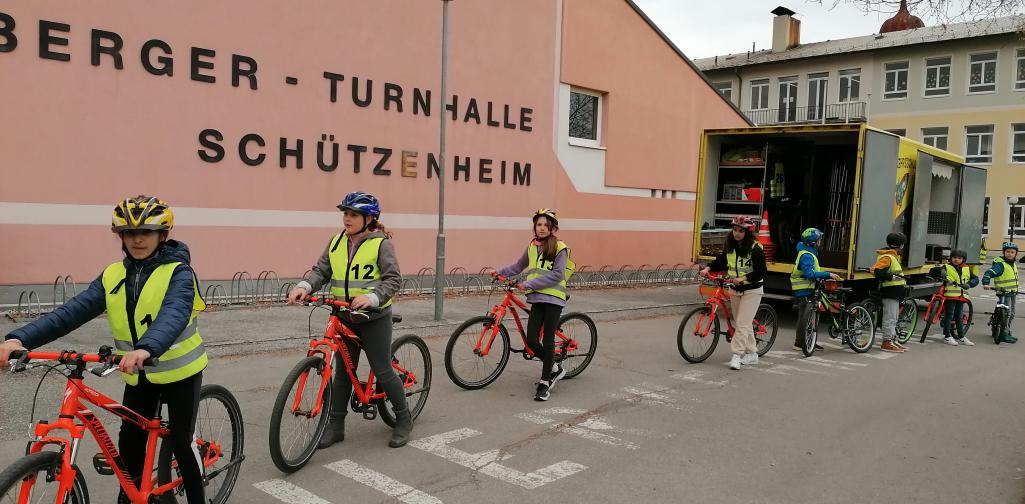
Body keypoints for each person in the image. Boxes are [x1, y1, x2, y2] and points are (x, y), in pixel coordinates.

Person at [0, 196, 208, 504]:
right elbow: (71, 312)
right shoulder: (113, 275)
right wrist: (19, 339)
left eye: (146, 232)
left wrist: (146, 348)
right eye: (128, 232)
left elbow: (174, 313)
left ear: (162, 236)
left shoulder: (178, 272)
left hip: (179, 372)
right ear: (120, 237)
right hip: (138, 377)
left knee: (181, 442)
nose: (137, 239)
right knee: (130, 449)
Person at [287, 191, 412, 447]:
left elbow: (393, 279)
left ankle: (403, 418)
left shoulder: (381, 244)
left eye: (353, 214)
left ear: (369, 219)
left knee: (382, 369)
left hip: (373, 317)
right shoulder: (336, 242)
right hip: (344, 315)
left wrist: (373, 298)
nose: (347, 218)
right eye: (345, 213)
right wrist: (304, 286)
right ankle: (336, 426)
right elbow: (321, 270)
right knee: (343, 372)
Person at [492, 208, 574, 401]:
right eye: (539, 224)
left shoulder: (559, 247)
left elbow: (557, 275)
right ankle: (555, 367)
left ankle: (545, 383)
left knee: (548, 341)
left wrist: (527, 284)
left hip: (553, 299)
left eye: (546, 225)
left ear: (553, 227)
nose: (542, 228)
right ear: (535, 227)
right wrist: (499, 272)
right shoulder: (532, 246)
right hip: (537, 298)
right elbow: (518, 266)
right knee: (531, 341)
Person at [699, 216, 767, 370]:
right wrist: (708, 268)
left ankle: (737, 355)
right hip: (735, 289)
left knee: (741, 324)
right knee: (743, 323)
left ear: (747, 232)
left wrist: (743, 279)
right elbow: (722, 261)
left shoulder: (755, 248)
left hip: (752, 290)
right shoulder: (731, 246)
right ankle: (753, 354)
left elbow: (761, 272)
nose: (736, 233)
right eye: (735, 230)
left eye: (740, 231)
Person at [790, 228, 841, 352]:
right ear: (813, 242)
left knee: (811, 316)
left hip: (808, 288)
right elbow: (809, 273)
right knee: (804, 316)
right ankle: (800, 342)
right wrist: (827, 275)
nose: (820, 242)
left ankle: (809, 340)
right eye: (818, 240)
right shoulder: (807, 255)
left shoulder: (808, 252)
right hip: (804, 289)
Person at [869, 232, 909, 353]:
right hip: (889, 291)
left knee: (894, 317)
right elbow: (876, 271)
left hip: (895, 292)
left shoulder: (893, 256)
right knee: (890, 317)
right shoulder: (888, 257)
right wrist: (891, 277)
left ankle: (892, 339)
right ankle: (886, 342)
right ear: (901, 245)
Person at [937, 249, 979, 346]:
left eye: (959, 258)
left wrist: (969, 284)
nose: (956, 260)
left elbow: (975, 279)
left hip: (961, 296)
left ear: (963, 260)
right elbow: (935, 272)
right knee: (949, 315)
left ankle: (961, 337)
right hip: (950, 296)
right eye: (954, 257)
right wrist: (940, 273)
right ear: (951, 258)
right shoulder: (946, 267)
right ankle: (947, 336)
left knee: (959, 316)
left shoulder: (966, 268)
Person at [982, 242, 1020, 344]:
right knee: (1006, 314)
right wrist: (986, 283)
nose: (1010, 254)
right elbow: (989, 273)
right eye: (1007, 252)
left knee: (1012, 313)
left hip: (1012, 292)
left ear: (1016, 254)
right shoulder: (1001, 265)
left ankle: (1006, 330)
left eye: (1012, 252)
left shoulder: (1013, 265)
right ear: (1004, 252)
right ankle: (1003, 334)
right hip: (1003, 292)